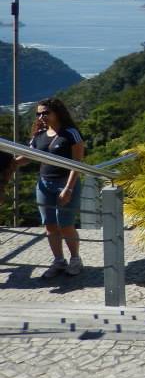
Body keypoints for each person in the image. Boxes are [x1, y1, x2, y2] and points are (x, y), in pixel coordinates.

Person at [15, 98, 86, 278]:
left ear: (57, 112)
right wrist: (9, 164)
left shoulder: (70, 133)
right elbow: (28, 157)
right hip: (44, 184)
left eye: (45, 113)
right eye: (38, 113)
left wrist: (68, 189)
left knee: (66, 224)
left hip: (65, 183)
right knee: (50, 225)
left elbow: (77, 164)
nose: (41, 116)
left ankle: (75, 259)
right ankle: (58, 261)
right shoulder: (38, 135)